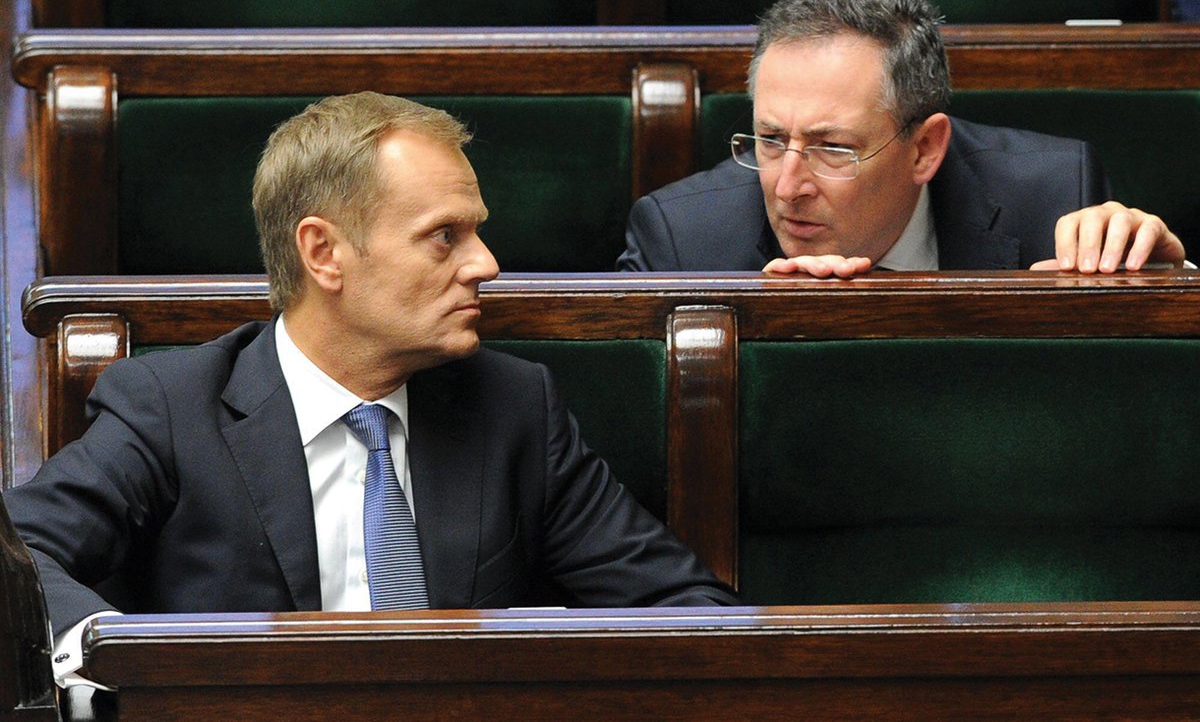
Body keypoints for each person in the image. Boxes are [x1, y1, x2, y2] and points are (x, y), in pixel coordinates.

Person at [4, 92, 738, 683]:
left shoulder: (513, 408)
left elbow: (686, 610)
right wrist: (130, 670)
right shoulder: (172, 407)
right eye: (445, 235)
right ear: (324, 252)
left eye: (476, 231)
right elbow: (21, 552)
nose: (485, 263)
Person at [617, 0, 1185, 278]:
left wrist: (1168, 279)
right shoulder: (680, 240)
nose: (787, 186)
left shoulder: (1057, 195)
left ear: (926, 149)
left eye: (831, 147)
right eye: (770, 140)